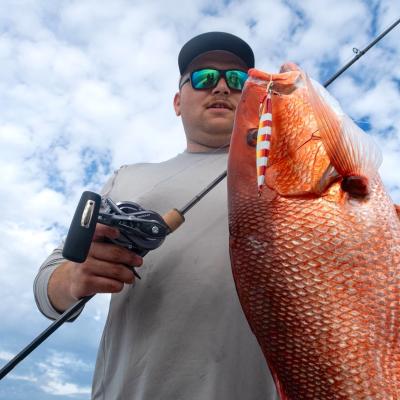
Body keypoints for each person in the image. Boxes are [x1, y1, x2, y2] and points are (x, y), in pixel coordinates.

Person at [34, 32, 278, 400]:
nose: (222, 87)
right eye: (204, 78)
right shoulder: (128, 176)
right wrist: (75, 278)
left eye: (238, 80)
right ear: (178, 102)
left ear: (256, 102)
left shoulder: (294, 181)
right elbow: (46, 288)